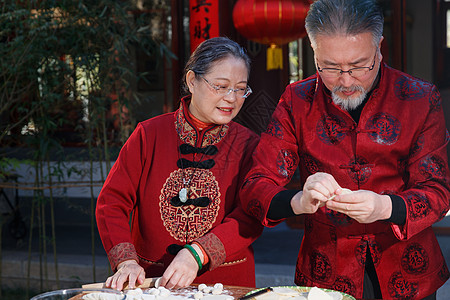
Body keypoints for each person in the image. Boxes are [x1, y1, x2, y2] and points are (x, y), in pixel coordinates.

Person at [240, 0, 450, 299]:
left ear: (379, 47)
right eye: (331, 67)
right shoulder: (297, 101)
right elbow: (255, 186)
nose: (346, 80)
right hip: (325, 271)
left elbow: (437, 193)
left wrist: (384, 207)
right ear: (314, 54)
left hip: (406, 269)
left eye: (358, 66)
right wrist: (300, 200)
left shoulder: (418, 99)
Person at [96, 36, 263, 291]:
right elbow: (112, 202)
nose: (232, 98)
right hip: (153, 283)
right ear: (192, 81)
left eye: (240, 89)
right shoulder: (149, 134)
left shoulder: (249, 145)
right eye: (221, 86)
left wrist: (199, 253)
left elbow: (251, 215)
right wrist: (126, 261)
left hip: (227, 285)